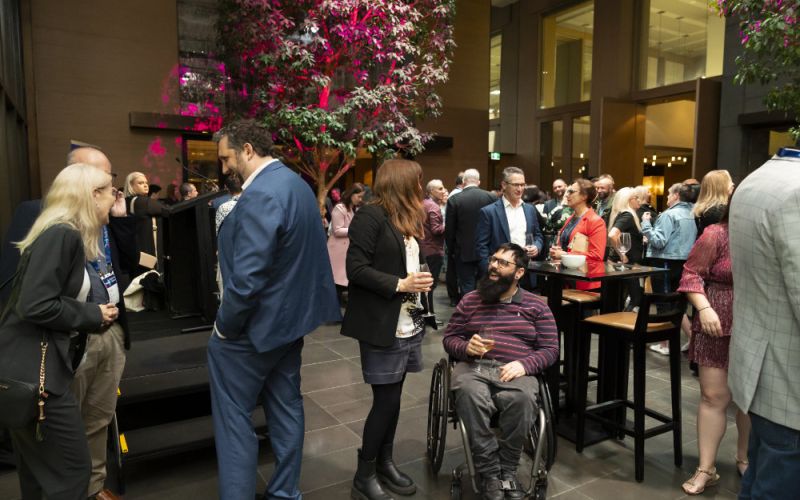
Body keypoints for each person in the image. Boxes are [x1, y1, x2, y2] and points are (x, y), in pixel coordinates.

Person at [209, 119, 340, 500]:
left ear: (248, 150)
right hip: (289, 325)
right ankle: (285, 492)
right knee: (286, 408)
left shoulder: (261, 194)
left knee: (233, 420)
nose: (224, 168)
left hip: (251, 331)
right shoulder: (296, 185)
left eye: (226, 158)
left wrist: (224, 327)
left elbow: (247, 279)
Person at [0, 163, 120, 500]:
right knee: (72, 472)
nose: (115, 198)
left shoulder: (56, 231)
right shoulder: (63, 234)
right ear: (93, 195)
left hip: (25, 373)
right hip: (39, 377)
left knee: (39, 476)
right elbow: (35, 305)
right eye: (111, 191)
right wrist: (92, 314)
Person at [341, 159, 434, 500]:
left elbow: (405, 262)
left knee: (393, 401)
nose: (421, 187)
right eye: (417, 181)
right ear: (402, 183)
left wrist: (419, 278)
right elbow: (355, 269)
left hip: (409, 321)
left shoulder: (404, 219)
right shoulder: (371, 216)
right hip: (382, 323)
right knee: (386, 401)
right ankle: (364, 474)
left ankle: (385, 462)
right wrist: (401, 283)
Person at [442, 243, 558, 500]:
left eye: (503, 263)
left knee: (523, 399)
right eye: (493, 260)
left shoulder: (536, 306)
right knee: (468, 393)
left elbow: (551, 349)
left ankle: (508, 469)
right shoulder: (471, 300)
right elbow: (450, 338)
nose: (494, 266)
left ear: (519, 273)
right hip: (474, 367)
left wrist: (525, 365)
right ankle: (490, 473)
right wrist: (465, 348)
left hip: (515, 370)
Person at [728, 148, 800, 499]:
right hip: (790, 380)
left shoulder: (756, 179)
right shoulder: (795, 191)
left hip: (762, 367)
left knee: (759, 480)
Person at [677, 206, 750, 495]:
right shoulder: (716, 234)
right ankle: (706, 468)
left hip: (757, 323)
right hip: (715, 323)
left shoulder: (768, 234)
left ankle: (745, 458)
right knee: (713, 396)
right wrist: (704, 308)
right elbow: (690, 275)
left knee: (749, 400)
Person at [641, 183, 697, 355]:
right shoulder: (693, 213)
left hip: (665, 261)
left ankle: (665, 344)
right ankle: (692, 341)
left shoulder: (669, 215)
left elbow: (659, 241)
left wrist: (646, 224)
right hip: (683, 262)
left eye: (669, 194)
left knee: (664, 303)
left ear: (676, 195)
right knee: (677, 304)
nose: (667, 197)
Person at [476, 167, 543, 289]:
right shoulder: (489, 212)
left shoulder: (530, 210)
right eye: (516, 185)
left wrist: (536, 247)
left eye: (522, 185)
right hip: (500, 274)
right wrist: (490, 270)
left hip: (525, 271)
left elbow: (538, 235)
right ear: (504, 185)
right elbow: (481, 246)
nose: (520, 189)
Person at [445, 169, 496, 298]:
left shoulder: (454, 199)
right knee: (486, 284)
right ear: (479, 182)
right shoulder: (492, 197)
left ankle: (468, 309)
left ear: (463, 181)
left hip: (463, 250)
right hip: (487, 250)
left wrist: (451, 250)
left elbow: (450, 230)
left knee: (466, 285)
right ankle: (484, 309)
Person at [549, 179, 607, 290]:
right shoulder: (570, 218)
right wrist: (556, 251)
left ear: (584, 196)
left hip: (585, 281)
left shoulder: (595, 221)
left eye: (571, 192)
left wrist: (564, 255)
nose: (567, 195)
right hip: (567, 278)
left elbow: (596, 256)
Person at [327, 182, 366, 304]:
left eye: (362, 197)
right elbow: (337, 230)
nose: (360, 199)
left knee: (340, 280)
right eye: (359, 196)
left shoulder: (350, 208)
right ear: (352, 194)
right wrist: (356, 229)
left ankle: (336, 305)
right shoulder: (340, 208)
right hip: (337, 251)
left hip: (343, 250)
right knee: (337, 281)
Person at [607, 187, 645, 310]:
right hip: (627, 265)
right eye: (636, 198)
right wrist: (622, 254)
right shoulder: (627, 215)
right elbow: (612, 235)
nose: (639, 200)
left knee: (622, 299)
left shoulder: (622, 215)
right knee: (635, 299)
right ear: (628, 200)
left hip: (624, 265)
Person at [124, 171, 168, 273]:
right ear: (131, 186)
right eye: (140, 183)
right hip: (149, 251)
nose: (145, 185)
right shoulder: (143, 202)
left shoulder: (126, 201)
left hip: (136, 251)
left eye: (146, 182)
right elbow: (168, 211)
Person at [422, 179, 447, 316]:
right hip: (433, 250)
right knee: (430, 285)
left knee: (424, 285)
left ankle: (426, 313)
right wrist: (449, 225)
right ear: (431, 191)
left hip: (423, 249)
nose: (443, 191)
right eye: (440, 188)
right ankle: (429, 315)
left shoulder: (423, 203)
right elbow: (436, 230)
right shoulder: (433, 206)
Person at [693, 170, 734, 238]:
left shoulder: (705, 208)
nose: (732, 184)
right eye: (729, 181)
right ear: (720, 186)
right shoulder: (717, 211)